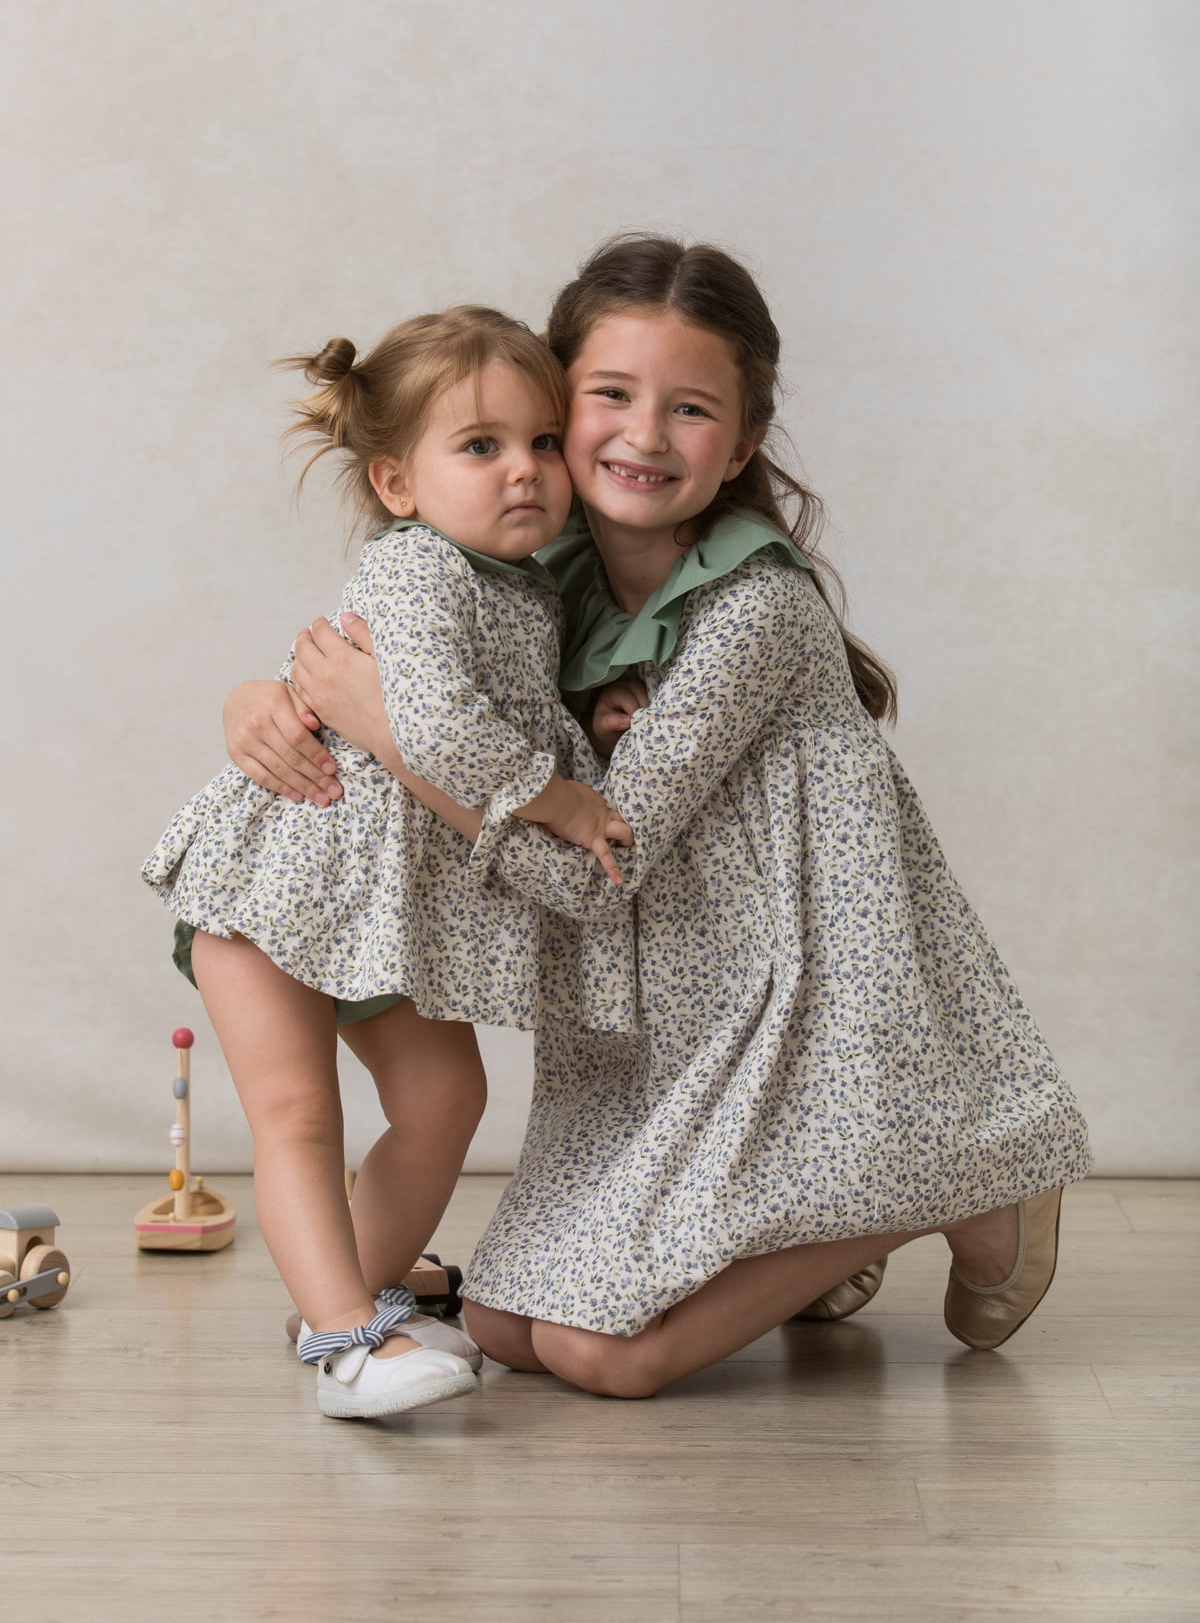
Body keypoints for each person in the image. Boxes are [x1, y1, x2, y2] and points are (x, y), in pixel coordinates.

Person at [225, 236, 1092, 1400]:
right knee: (497, 1318)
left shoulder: (756, 611)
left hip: (790, 1000)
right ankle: (797, 1239)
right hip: (659, 1012)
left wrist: (382, 729)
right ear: (555, 404)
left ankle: (966, 1183)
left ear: (738, 446)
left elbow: (590, 871)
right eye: (608, 398)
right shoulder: (526, 567)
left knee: (604, 1357)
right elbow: (386, 641)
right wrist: (265, 697)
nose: (641, 436)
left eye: (689, 411)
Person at [141, 305, 632, 1419]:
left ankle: (342, 1297)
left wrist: (591, 722)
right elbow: (441, 731)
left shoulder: (526, 584)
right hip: (277, 886)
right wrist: (558, 796)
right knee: (297, 1115)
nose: (526, 471)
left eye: (544, 443)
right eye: (482, 446)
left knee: (445, 1093)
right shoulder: (417, 568)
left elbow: (505, 712)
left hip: (373, 909)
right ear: (398, 484)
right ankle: (347, 1342)